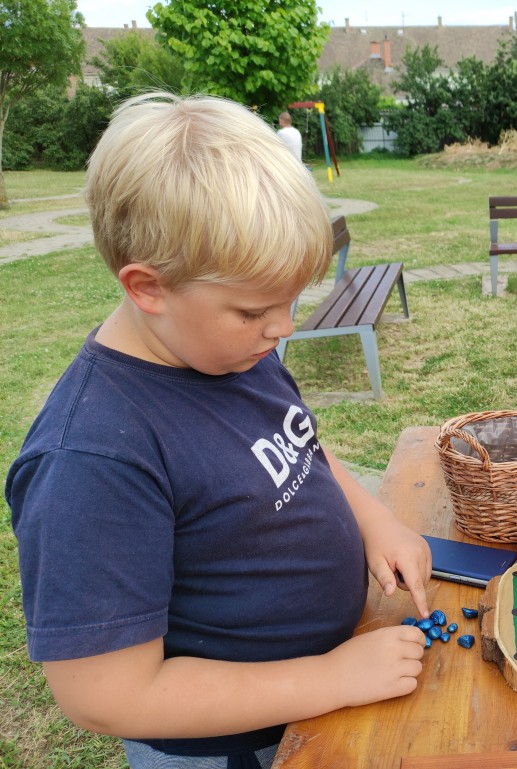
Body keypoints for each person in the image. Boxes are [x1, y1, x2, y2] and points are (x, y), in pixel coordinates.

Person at [5, 92, 432, 769]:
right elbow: (105, 695)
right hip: (233, 747)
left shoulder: (229, 349)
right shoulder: (93, 456)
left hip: (321, 696)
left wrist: (376, 520)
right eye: (256, 308)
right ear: (148, 288)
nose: (285, 327)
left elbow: (301, 443)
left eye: (291, 300)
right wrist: (331, 678)